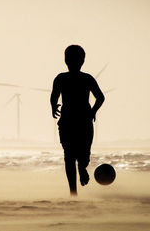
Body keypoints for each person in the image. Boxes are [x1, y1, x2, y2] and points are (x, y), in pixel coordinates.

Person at [50, 45, 105, 196]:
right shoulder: (74, 78)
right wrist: (93, 111)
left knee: (76, 156)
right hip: (77, 121)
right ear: (82, 60)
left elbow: (54, 96)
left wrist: (53, 106)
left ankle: (79, 174)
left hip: (77, 121)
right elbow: (100, 98)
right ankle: (74, 191)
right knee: (72, 155)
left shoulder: (71, 78)